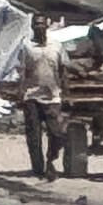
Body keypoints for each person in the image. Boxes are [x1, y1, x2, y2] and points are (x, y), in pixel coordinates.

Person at [13, 28, 66, 180]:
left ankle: (51, 161)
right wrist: (20, 91)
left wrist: (66, 92)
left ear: (47, 26)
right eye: (37, 24)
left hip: (53, 96)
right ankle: (38, 168)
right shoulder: (27, 47)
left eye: (42, 24)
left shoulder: (56, 46)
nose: (40, 28)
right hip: (31, 95)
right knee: (34, 135)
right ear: (33, 28)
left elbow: (63, 69)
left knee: (56, 133)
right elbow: (23, 71)